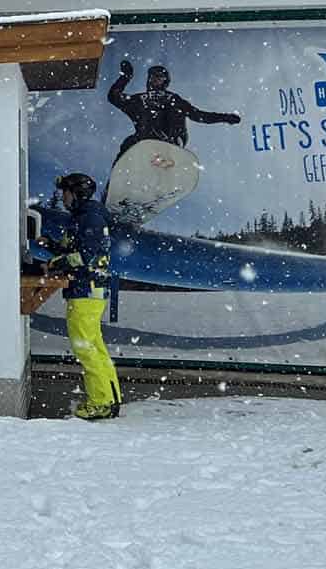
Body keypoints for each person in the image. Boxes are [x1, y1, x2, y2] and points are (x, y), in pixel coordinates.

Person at [41, 171, 123, 421]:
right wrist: (53, 246)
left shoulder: (90, 218)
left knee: (85, 348)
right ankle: (110, 398)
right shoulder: (84, 217)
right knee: (95, 348)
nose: (63, 197)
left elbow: (86, 257)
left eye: (65, 192)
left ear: (76, 193)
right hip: (88, 291)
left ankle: (100, 403)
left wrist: (56, 262)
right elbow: (75, 247)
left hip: (86, 291)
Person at [107, 58, 241, 158]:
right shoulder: (139, 100)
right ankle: (123, 173)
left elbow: (198, 115)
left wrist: (225, 117)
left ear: (165, 81)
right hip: (145, 142)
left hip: (172, 139)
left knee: (171, 108)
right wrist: (125, 77)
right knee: (128, 142)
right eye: (153, 76)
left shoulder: (173, 99)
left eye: (159, 77)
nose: (155, 79)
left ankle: (169, 149)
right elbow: (114, 97)